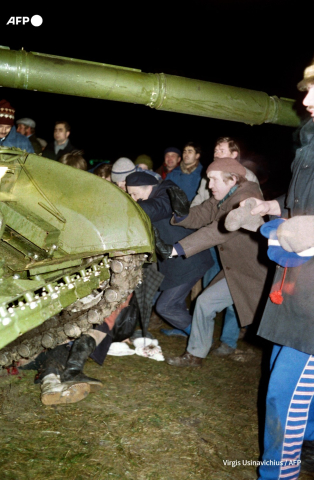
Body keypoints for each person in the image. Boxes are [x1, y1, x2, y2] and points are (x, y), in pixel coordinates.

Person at [238, 59, 314, 480]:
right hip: (298, 289)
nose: (305, 100)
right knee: (283, 383)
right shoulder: (310, 142)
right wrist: (275, 207)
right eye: (305, 89)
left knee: (283, 396)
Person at [161, 157, 269, 366]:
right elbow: (204, 212)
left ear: (232, 179)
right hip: (235, 270)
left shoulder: (247, 196)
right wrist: (182, 215)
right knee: (204, 303)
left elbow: (217, 230)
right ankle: (195, 355)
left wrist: (177, 249)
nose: (209, 186)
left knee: (272, 325)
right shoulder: (226, 195)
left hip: (254, 273)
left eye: (213, 180)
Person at [190, 136, 261, 355]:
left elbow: (247, 210)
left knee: (236, 292)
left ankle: (228, 341)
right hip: (213, 240)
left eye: (222, 150)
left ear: (234, 154)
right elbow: (202, 201)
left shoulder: (244, 178)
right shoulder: (211, 174)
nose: (217, 153)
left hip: (234, 244)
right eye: (215, 150)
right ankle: (201, 344)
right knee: (211, 289)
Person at [126, 171, 213, 337]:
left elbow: (156, 208)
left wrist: (128, 208)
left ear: (148, 188)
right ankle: (185, 329)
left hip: (189, 261)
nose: (132, 198)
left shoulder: (167, 191)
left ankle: (197, 336)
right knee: (176, 302)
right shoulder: (152, 195)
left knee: (166, 307)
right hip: (177, 262)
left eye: (134, 194)